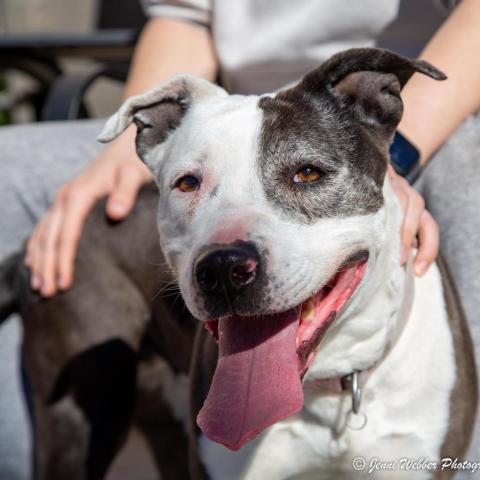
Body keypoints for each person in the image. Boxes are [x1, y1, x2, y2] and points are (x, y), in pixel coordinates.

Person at [0, 0, 479, 478]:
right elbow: (183, 18)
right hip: (221, 118)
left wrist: (394, 156)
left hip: (424, 113)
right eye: (187, 184)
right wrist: (142, 152)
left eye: (307, 177)